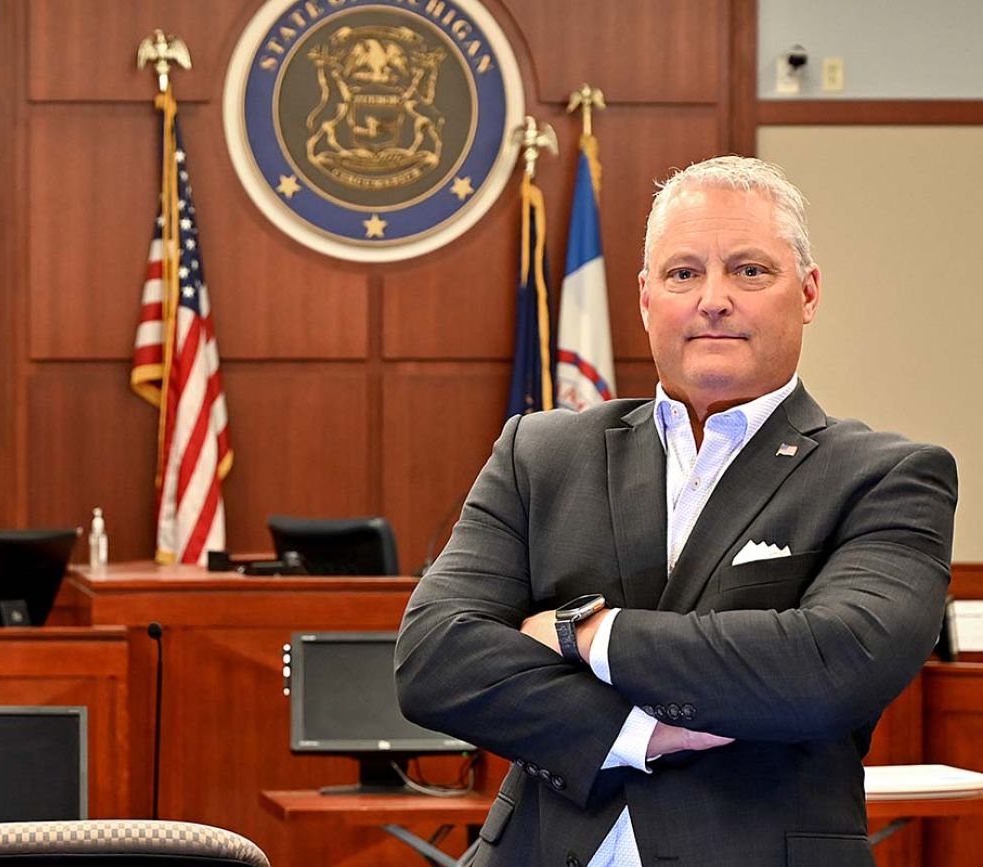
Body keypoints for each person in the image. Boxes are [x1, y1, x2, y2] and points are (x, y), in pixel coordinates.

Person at [395, 155, 957, 867]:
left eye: (750, 271)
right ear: (644, 297)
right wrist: (636, 730)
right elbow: (435, 658)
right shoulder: (539, 452)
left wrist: (586, 635)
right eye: (683, 273)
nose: (713, 299)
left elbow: (829, 668)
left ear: (809, 292)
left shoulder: (887, 477)